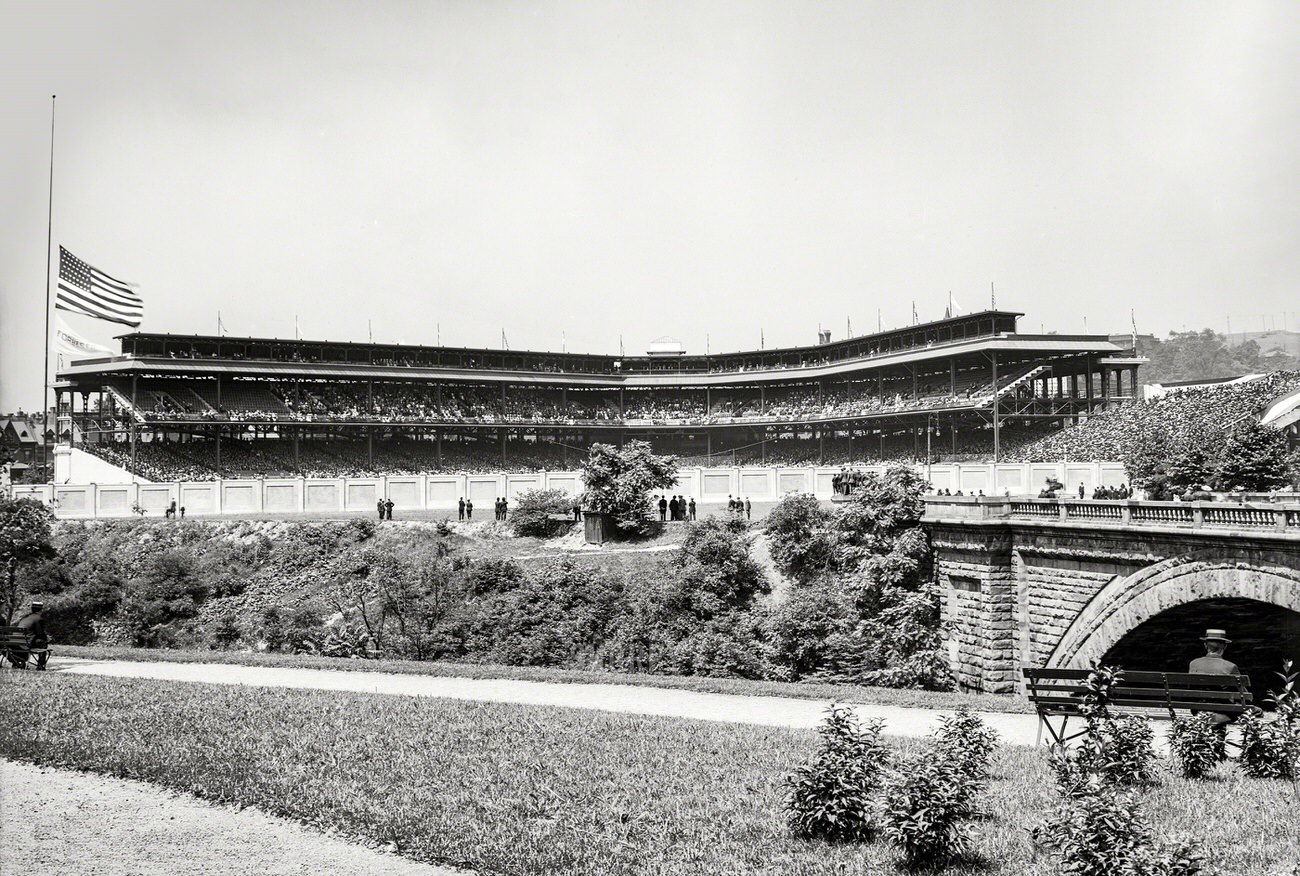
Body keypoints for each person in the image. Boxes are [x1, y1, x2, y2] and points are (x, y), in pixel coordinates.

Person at [1188, 629, 1240, 727]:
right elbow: (1243, 695)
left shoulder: (1193, 664)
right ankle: (1218, 741)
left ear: (1205, 645)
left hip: (1198, 710)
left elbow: (1191, 688)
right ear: (1225, 646)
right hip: (1223, 711)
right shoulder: (1230, 667)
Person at [11, 600, 49, 670]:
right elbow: (40, 634)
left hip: (15, 642)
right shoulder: (38, 618)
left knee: (27, 640)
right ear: (40, 610)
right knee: (43, 643)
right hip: (25, 643)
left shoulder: (25, 617)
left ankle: (19, 663)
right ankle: (41, 666)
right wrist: (47, 638)